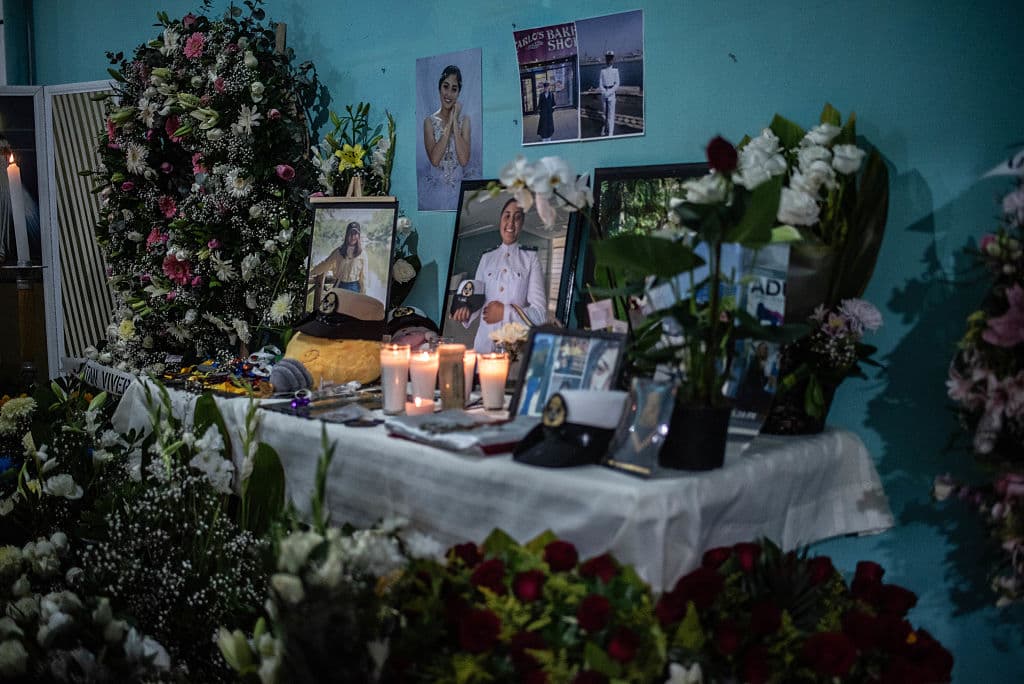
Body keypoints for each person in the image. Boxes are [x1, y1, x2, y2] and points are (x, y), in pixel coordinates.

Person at [450, 198, 547, 353]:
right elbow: (477, 299)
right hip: (483, 345)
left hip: (512, 348)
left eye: (517, 217)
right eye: (507, 216)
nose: (511, 223)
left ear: (521, 224)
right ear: (500, 221)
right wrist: (466, 311)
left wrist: (505, 312)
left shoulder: (530, 258)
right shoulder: (487, 257)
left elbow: (540, 315)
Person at [422, 65, 471, 209]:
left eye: (454, 89)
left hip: (459, 187)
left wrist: (455, 121)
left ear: (458, 93)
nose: (448, 94)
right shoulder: (429, 122)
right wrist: (449, 122)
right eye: (445, 86)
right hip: (436, 190)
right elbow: (435, 160)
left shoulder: (465, 121)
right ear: (439, 88)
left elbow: (463, 161)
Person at [309, 221, 368, 294]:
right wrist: (311, 272)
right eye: (350, 234)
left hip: (354, 287)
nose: (353, 237)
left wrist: (363, 294)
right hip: (340, 285)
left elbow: (364, 277)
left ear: (358, 235)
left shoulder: (362, 254)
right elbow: (325, 264)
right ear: (346, 235)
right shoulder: (338, 251)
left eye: (355, 234)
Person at [599, 51, 620, 136]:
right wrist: (604, 92)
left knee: (611, 114)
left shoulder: (615, 71)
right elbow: (600, 83)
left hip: (611, 94)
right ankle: (605, 127)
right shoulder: (602, 71)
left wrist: (610, 92)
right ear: (606, 59)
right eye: (608, 58)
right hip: (604, 94)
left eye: (611, 58)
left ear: (613, 59)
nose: (609, 60)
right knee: (604, 113)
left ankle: (611, 132)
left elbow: (617, 83)